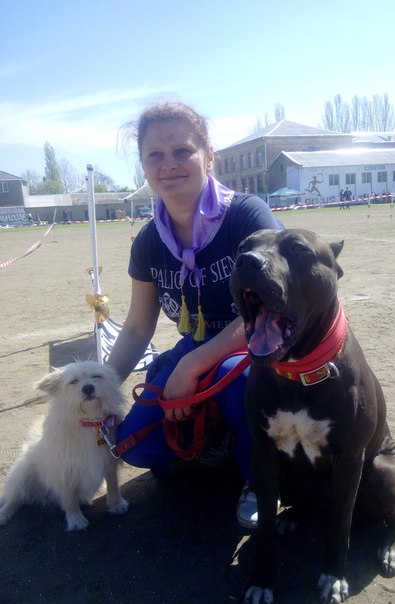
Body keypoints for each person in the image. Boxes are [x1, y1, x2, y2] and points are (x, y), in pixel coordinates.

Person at [107, 101, 283, 528]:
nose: (168, 164)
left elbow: (271, 307)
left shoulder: (246, 215)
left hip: (259, 349)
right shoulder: (148, 241)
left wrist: (190, 365)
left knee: (238, 380)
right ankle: (222, 443)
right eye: (155, 154)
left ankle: (262, 478)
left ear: (208, 156)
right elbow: (137, 327)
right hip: (199, 348)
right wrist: (100, 388)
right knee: (135, 445)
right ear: (143, 165)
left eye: (182, 151)